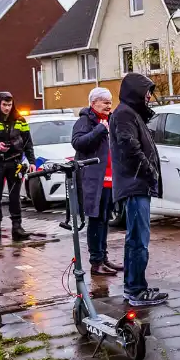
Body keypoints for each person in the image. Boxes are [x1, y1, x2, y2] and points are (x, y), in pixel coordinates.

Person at [109, 72, 168, 307]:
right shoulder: (124, 114)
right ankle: (135, 289)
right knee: (138, 240)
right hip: (134, 185)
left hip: (137, 183)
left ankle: (136, 285)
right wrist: (149, 171)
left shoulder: (130, 113)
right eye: (146, 92)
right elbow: (130, 147)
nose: (149, 97)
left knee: (136, 238)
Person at [72, 87, 123, 277]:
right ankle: (96, 262)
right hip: (94, 180)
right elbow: (77, 142)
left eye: (110, 102)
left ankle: (104, 258)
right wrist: (100, 130)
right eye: (104, 102)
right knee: (96, 220)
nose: (109, 105)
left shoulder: (110, 120)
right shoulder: (85, 121)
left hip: (110, 179)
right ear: (93, 103)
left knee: (105, 219)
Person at [0, 91, 36, 242]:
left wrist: (32, 162)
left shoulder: (20, 120)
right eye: (4, 105)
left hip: (14, 163)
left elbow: (28, 143)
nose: (7, 108)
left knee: (15, 196)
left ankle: (17, 228)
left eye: (10, 105)